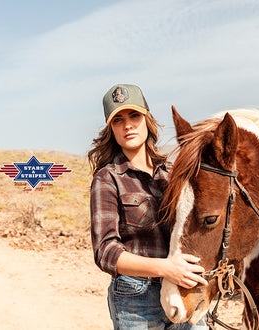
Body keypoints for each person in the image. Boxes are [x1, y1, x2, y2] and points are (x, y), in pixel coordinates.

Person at [88, 84, 208, 329]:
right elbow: (105, 251)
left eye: (134, 115)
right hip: (136, 297)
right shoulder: (107, 178)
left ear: (147, 119)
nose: (128, 125)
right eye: (118, 120)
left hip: (185, 289)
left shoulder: (174, 174)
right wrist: (165, 268)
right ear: (111, 129)